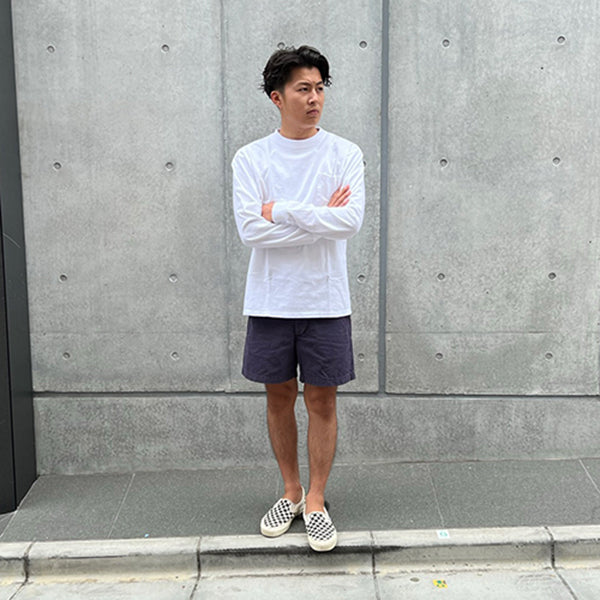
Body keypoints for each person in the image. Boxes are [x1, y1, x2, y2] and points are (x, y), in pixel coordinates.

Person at [232, 45, 365, 552]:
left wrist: (282, 210)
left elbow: (348, 222)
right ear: (277, 97)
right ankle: (290, 491)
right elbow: (251, 231)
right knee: (279, 397)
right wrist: (317, 216)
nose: (314, 99)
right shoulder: (251, 158)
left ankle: (316, 499)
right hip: (271, 300)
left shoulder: (344, 153)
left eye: (320, 88)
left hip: (325, 300)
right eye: (303, 89)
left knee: (322, 400)